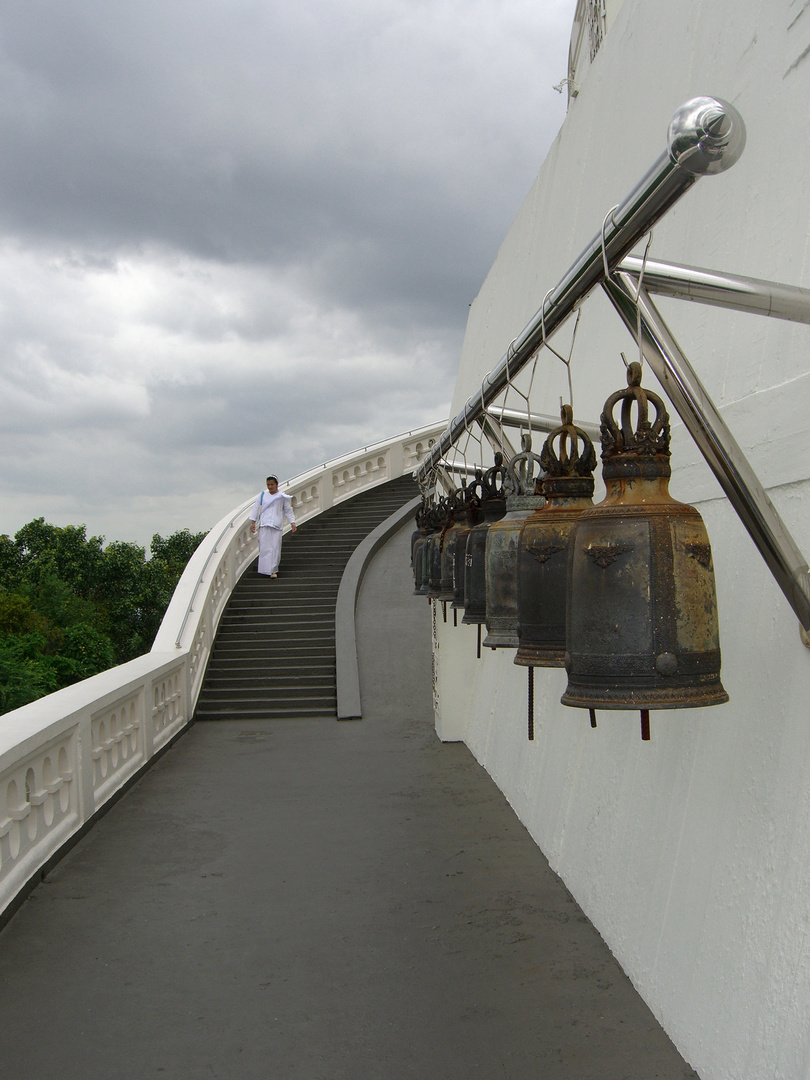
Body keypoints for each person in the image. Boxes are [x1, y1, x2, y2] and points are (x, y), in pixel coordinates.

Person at [249, 475, 297, 577]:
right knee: (264, 547)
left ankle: (273, 570)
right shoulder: (262, 495)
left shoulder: (282, 497)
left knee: (275, 548)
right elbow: (256, 508)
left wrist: (292, 522)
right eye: (268, 485)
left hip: (276, 525)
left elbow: (288, 510)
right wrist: (253, 522)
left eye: (272, 484)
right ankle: (264, 570)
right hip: (264, 524)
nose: (270, 487)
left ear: (276, 484)